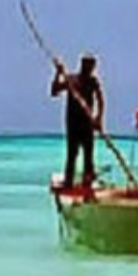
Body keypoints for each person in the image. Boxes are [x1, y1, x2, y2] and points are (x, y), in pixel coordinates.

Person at [50, 54, 104, 190]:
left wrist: (98, 118)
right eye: (89, 65)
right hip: (73, 124)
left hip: (87, 124)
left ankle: (87, 183)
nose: (91, 68)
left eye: (92, 66)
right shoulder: (72, 80)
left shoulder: (93, 81)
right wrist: (58, 73)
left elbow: (100, 100)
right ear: (83, 65)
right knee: (72, 154)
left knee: (88, 155)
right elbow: (54, 91)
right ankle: (68, 183)